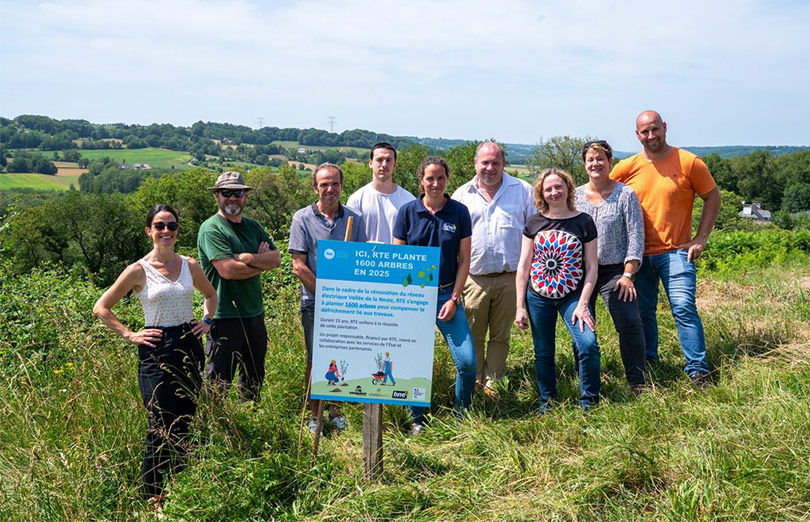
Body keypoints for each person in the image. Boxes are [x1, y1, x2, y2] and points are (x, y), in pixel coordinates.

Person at [93, 204, 217, 507]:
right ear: (149, 230)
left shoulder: (189, 265)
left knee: (186, 418)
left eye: (171, 225)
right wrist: (130, 334)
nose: (166, 231)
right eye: (159, 226)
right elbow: (101, 307)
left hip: (188, 343)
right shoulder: (138, 269)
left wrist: (206, 321)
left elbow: (211, 295)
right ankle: (153, 495)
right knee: (160, 423)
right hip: (156, 347)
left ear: (177, 230)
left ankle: (181, 482)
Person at [610, 111, 721, 388]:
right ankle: (649, 362)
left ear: (665, 128)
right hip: (637, 256)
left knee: (683, 308)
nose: (651, 136)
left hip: (677, 252)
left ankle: (697, 370)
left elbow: (712, 197)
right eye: (644, 132)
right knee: (644, 312)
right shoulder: (626, 167)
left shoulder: (688, 162)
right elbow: (603, 194)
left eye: (655, 129)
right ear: (637, 135)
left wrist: (701, 237)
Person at [393, 156, 476, 435]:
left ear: (447, 180)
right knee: (414, 361)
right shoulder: (406, 212)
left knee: (466, 362)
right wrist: (407, 302)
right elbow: (399, 260)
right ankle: (417, 419)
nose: (436, 183)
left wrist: (454, 299)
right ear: (421, 180)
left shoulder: (459, 212)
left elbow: (464, 259)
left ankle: (463, 416)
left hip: (447, 296)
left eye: (441, 178)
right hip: (414, 298)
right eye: (430, 178)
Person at [451, 141, 535, 396]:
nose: (490, 168)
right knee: (473, 334)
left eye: (495, 163)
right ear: (475, 163)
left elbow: (535, 230)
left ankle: (494, 382)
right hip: (473, 278)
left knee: (500, 335)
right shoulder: (461, 195)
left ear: (504, 164)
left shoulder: (522, 190)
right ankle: (475, 381)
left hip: (511, 277)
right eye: (485, 162)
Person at [289, 163, 366, 432]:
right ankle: (314, 415)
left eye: (334, 184)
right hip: (314, 303)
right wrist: (328, 295)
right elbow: (298, 265)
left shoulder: (355, 219)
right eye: (324, 185)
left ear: (341, 186)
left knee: (340, 355)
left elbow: (359, 261)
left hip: (345, 305)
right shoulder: (302, 218)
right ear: (315, 188)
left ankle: (335, 411)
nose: (330, 189)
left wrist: (346, 298)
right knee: (315, 358)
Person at [515, 169, 600, 412]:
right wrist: (519, 306)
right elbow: (523, 267)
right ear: (542, 193)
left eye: (558, 187)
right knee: (543, 353)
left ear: (568, 188)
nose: (554, 192)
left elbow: (592, 266)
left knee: (588, 344)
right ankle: (547, 403)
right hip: (538, 298)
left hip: (573, 296)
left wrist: (584, 303)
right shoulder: (534, 223)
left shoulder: (583, 221)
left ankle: (589, 403)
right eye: (548, 189)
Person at [197, 171, 281, 402]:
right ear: (217, 195)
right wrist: (259, 262)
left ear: (245, 196)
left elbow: (276, 259)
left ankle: (249, 421)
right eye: (227, 193)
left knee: (253, 377)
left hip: (255, 314)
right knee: (218, 382)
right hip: (224, 316)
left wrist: (246, 258)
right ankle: (215, 427)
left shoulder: (253, 226)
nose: (233, 198)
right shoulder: (211, 228)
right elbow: (228, 270)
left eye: (238, 193)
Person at [575, 140, 646, 392]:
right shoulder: (574, 196)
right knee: (582, 325)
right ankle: (584, 377)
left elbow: (636, 237)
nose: (595, 164)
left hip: (615, 271)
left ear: (609, 162)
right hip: (580, 273)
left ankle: (637, 380)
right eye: (590, 160)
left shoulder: (625, 195)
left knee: (629, 323)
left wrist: (628, 274)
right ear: (584, 165)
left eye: (600, 159)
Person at [346, 141, 416, 243]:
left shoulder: (409, 201)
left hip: (396, 258)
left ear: (395, 165)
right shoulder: (356, 199)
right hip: (364, 258)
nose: (384, 164)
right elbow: (349, 239)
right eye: (379, 160)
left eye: (388, 160)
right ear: (370, 163)